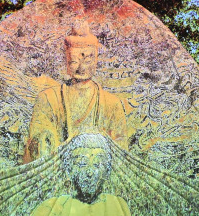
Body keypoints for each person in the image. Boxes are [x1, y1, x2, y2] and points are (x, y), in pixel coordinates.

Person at [23, 20, 130, 163]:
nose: (81, 68)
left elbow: (120, 153)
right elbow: (37, 143)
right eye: (74, 61)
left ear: (96, 61)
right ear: (66, 61)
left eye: (88, 61)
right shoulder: (49, 99)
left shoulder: (111, 104)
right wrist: (45, 140)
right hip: (58, 169)